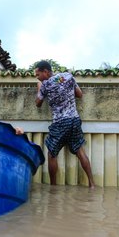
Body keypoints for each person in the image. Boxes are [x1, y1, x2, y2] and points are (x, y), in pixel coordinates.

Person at [34, 60, 95, 188]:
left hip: (60, 122)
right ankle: (92, 184)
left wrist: (39, 86)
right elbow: (79, 94)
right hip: (74, 119)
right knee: (79, 151)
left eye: (38, 75)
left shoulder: (45, 85)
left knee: (52, 153)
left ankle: (53, 187)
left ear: (45, 71)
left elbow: (38, 103)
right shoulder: (68, 76)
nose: (37, 78)